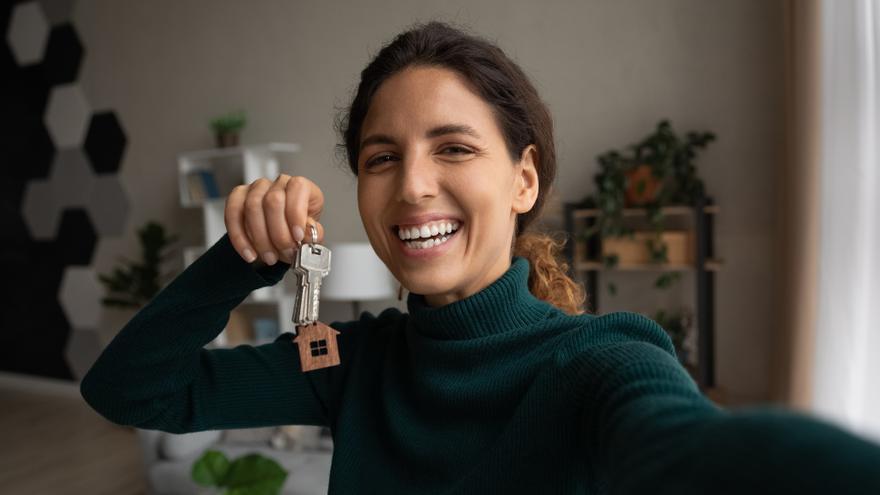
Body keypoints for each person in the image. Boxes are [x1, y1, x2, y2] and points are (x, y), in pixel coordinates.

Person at [81, 21, 880, 494]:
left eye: (454, 147)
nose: (412, 186)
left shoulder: (605, 360)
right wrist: (242, 257)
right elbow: (129, 388)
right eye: (381, 157)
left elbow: (695, 454)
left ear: (523, 179)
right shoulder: (348, 363)